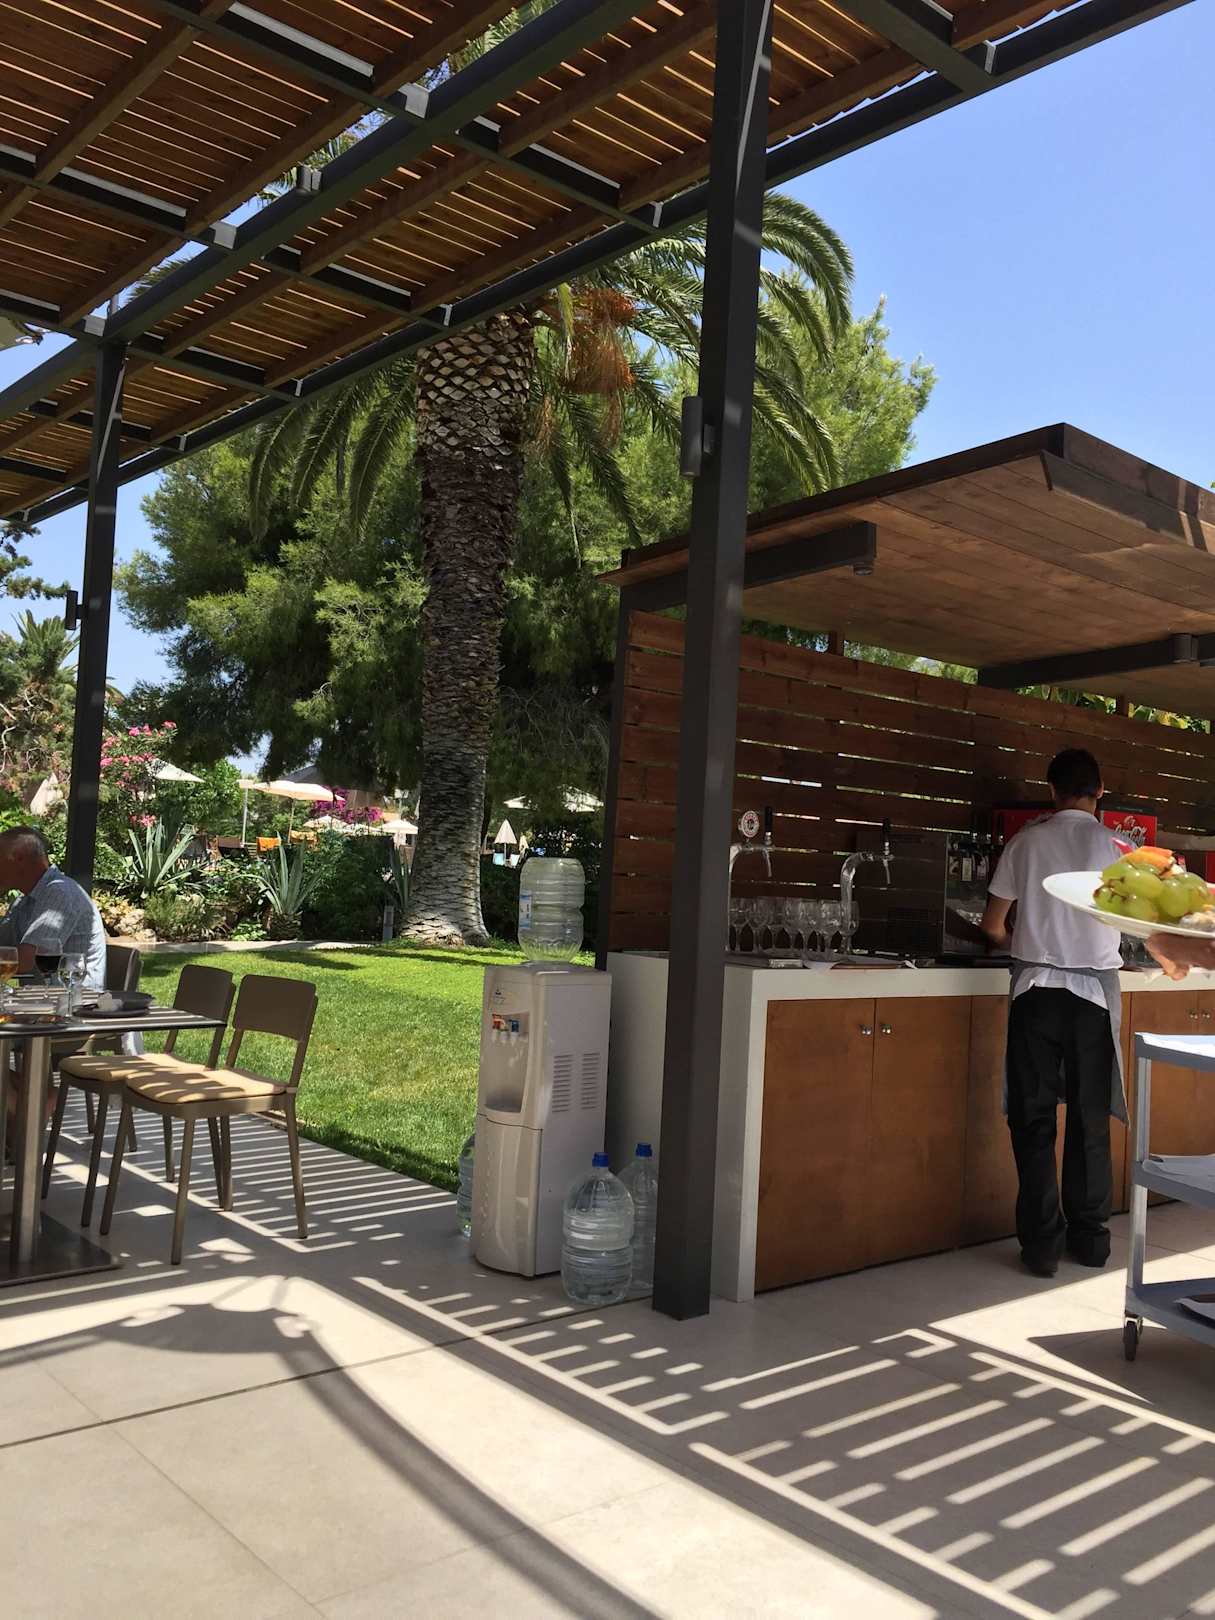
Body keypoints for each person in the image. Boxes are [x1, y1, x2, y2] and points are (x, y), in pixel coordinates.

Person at [981, 749, 1126, 1278]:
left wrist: (1015, 939)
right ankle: (1091, 1241)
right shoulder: (1120, 849)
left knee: (1033, 1117)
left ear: (1051, 790)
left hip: (1035, 993)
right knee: (1090, 1118)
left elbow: (993, 924)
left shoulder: (1025, 842)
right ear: (1100, 790)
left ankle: (1042, 1247)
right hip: (1093, 997)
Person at [0, 826, 106, 990]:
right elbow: (4, 946)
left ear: (19, 858)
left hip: (73, 999)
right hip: (41, 998)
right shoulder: (24, 900)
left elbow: (24, 960)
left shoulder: (60, 893)